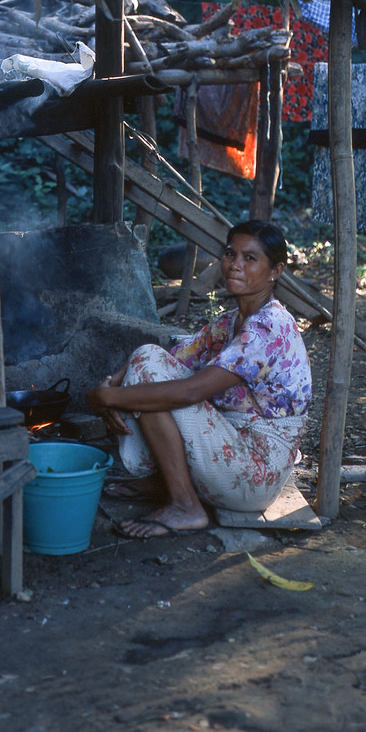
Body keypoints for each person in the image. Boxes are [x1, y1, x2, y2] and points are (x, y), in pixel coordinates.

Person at [85, 219, 312, 539]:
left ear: (276, 271)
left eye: (250, 258)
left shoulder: (269, 328)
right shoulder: (229, 321)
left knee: (154, 382)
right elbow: (162, 358)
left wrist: (105, 399)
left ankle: (185, 505)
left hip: (255, 474)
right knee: (147, 360)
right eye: (230, 254)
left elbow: (191, 392)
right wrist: (110, 383)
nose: (235, 265)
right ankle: (167, 480)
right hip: (234, 445)